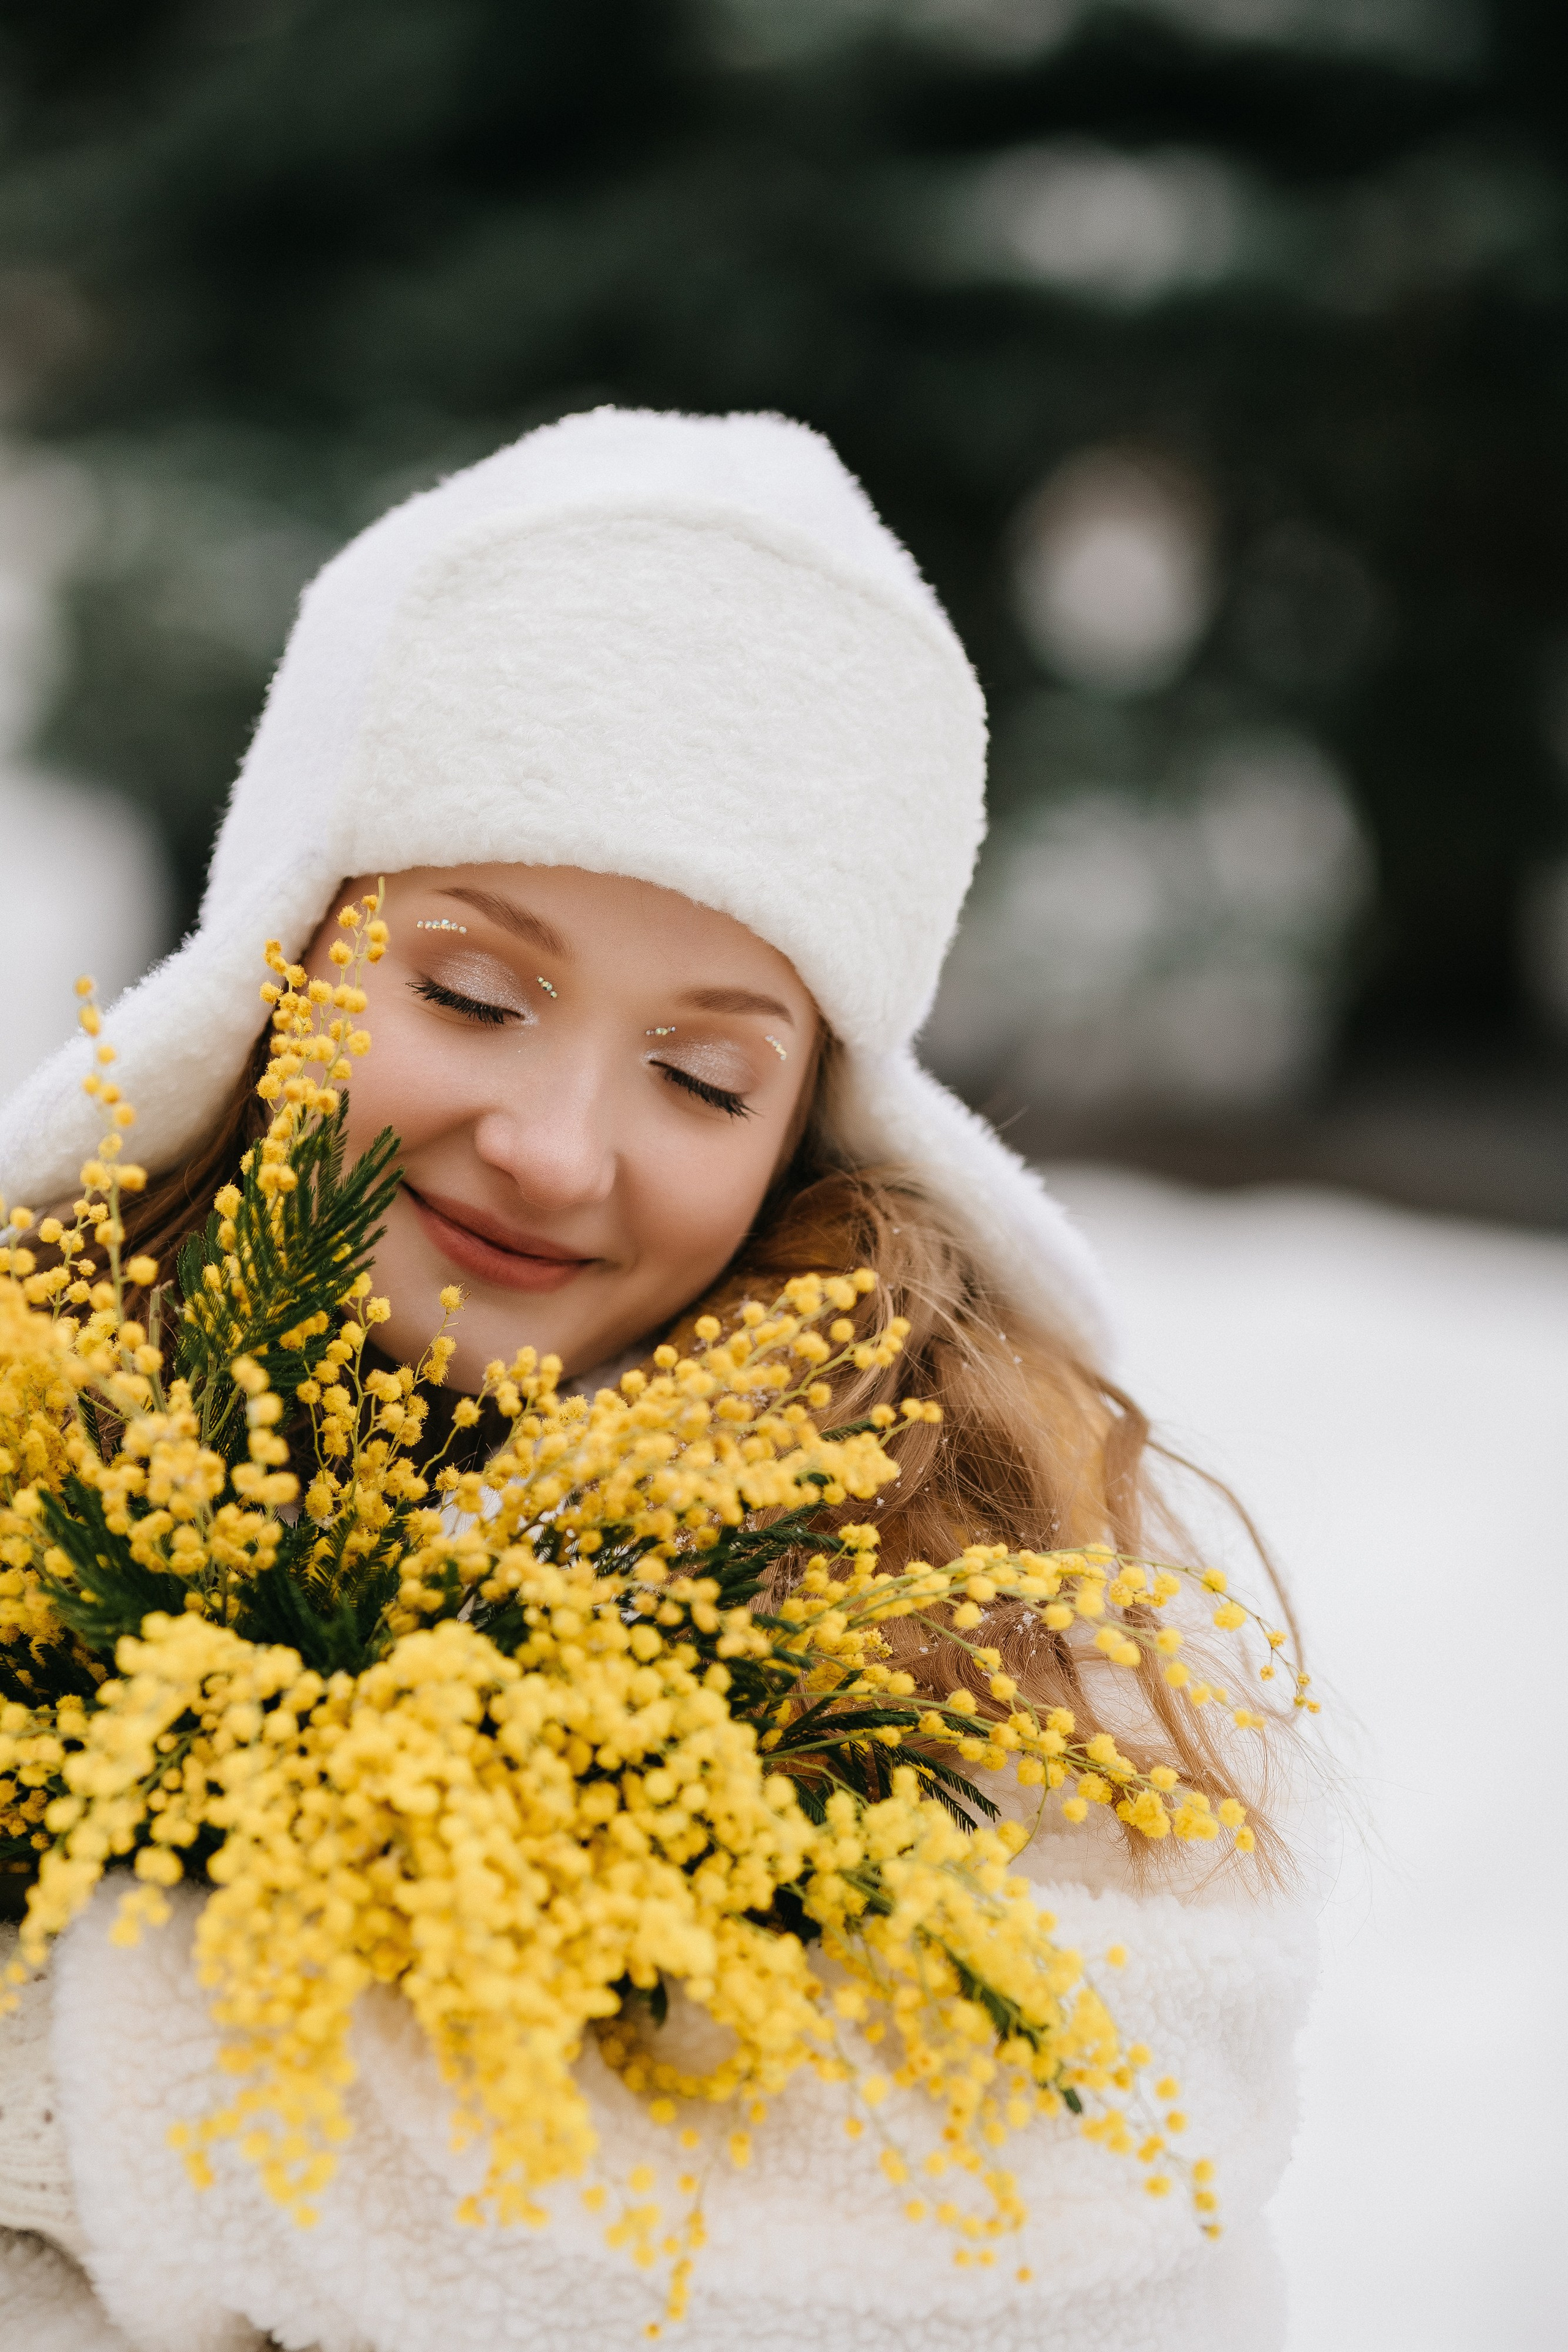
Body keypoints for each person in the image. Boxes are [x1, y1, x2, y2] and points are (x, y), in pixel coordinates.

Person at [0, 407, 1317, 2352]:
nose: (553, 1144)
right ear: (283, 968)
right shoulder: (52, 1438)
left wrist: (79, 2046)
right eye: (469, 993)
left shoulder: (1011, 1612)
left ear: (811, 1130)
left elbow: (1050, 2209)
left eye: (705, 1077)